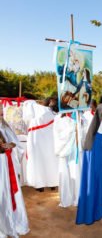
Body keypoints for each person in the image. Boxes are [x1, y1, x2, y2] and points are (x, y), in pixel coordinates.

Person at [0, 102, 29, 237]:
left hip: (5, 166)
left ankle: (10, 224)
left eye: (0, 108)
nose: (1, 111)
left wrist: (11, 145)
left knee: (7, 194)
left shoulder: (5, 126)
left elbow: (17, 145)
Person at [23, 99, 59, 191]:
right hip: (50, 142)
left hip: (37, 142)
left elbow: (29, 102)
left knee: (38, 163)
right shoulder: (55, 114)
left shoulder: (38, 110)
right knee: (51, 162)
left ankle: (40, 185)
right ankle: (53, 183)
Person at [53, 112, 81, 207]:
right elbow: (59, 136)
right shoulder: (59, 121)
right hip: (64, 151)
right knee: (65, 174)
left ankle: (77, 197)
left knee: (76, 174)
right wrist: (73, 128)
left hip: (75, 150)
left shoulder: (79, 118)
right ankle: (66, 199)